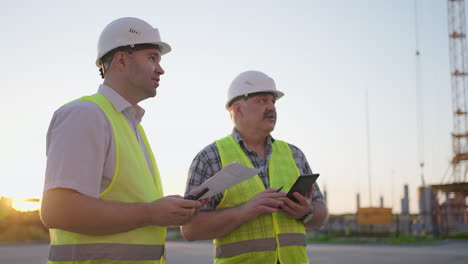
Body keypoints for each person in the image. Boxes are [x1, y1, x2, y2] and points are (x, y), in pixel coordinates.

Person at [40, 17, 205, 263]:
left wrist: (165, 209)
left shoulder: (130, 125)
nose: (161, 69)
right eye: (152, 58)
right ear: (121, 59)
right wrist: (150, 213)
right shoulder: (86, 114)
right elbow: (58, 210)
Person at [181, 70, 329, 264]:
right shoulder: (210, 158)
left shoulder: (295, 155)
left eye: (273, 101)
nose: (271, 108)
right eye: (262, 100)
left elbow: (321, 215)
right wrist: (243, 212)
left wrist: (306, 212)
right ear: (238, 109)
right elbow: (190, 230)